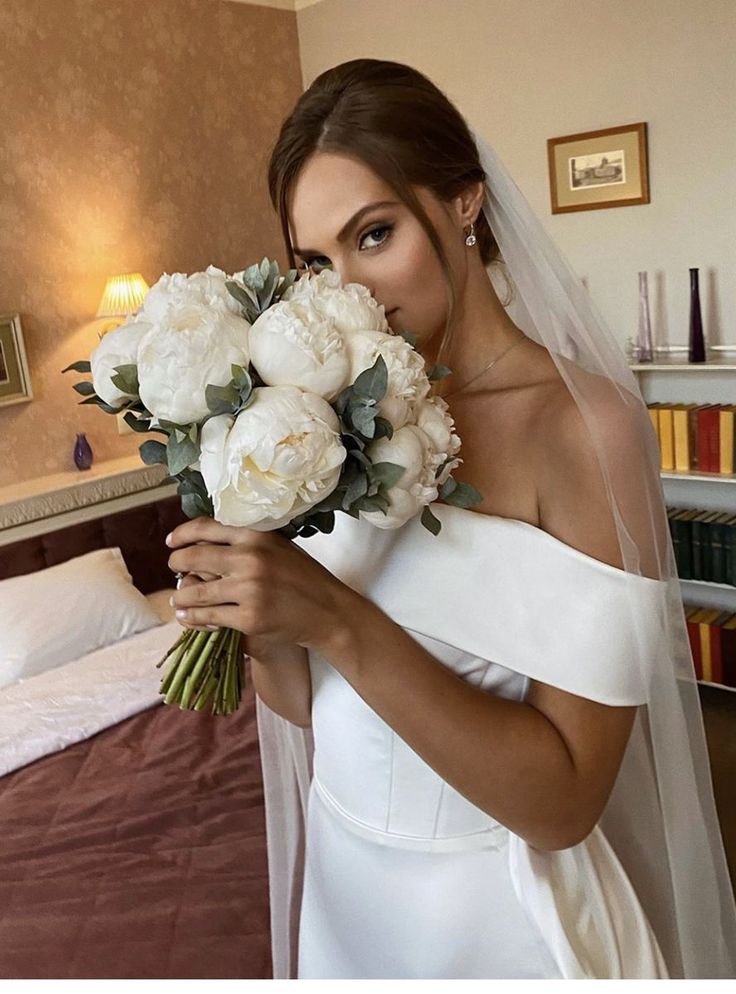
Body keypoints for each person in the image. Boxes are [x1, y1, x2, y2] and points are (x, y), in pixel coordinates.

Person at [166, 59, 736, 979]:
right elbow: (314, 710)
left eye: (376, 234)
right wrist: (262, 616)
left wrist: (335, 619)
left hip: (488, 914)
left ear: (466, 204)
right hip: (347, 888)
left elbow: (565, 804)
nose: (347, 292)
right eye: (317, 261)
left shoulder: (582, 424)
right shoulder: (322, 411)